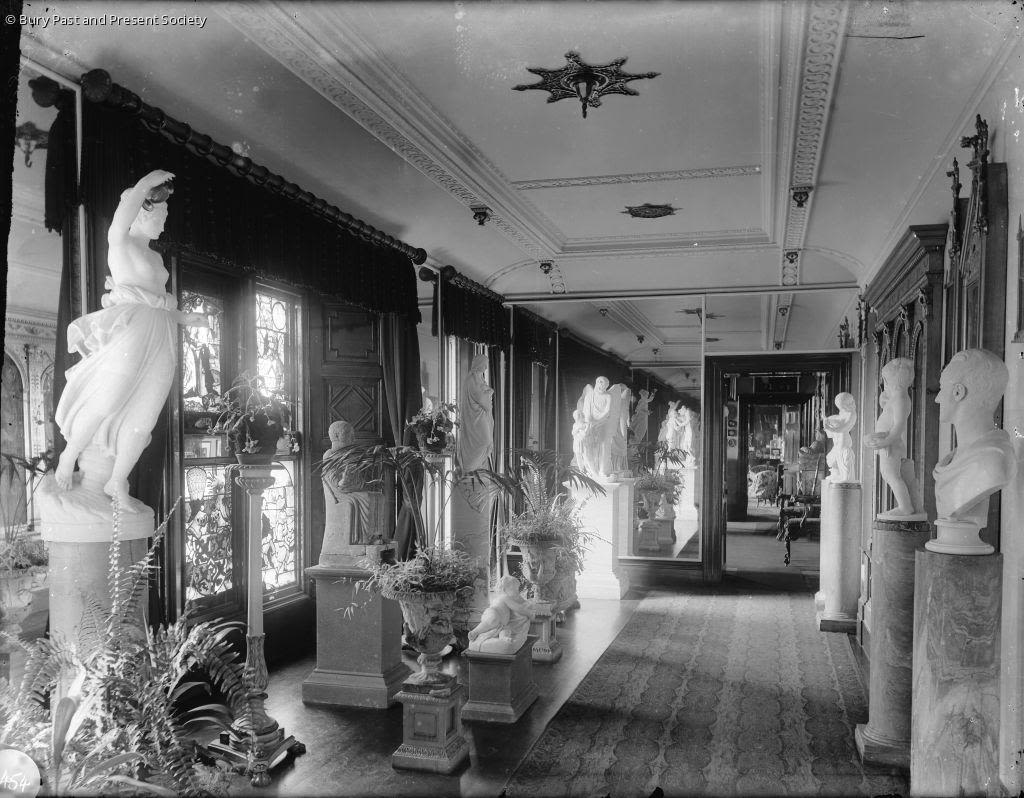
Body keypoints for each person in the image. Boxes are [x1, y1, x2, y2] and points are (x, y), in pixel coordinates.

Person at [53, 170, 208, 503]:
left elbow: (157, 301)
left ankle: (117, 480)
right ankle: (69, 458)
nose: (164, 225)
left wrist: (183, 317)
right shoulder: (119, 242)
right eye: (161, 216)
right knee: (107, 399)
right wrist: (147, 182)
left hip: (161, 332)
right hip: (132, 331)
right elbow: (124, 213)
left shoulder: (155, 256)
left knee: (145, 417)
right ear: (141, 211)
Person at [932, 349, 1015, 526]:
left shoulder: (992, 462)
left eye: (941, 388)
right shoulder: (956, 459)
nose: (937, 398)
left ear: (958, 392)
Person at [864, 357, 920, 518]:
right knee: (895, 475)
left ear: (893, 381)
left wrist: (886, 441)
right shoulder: (896, 398)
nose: (884, 385)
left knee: (890, 475)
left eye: (885, 381)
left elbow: (899, 426)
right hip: (887, 443)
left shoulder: (901, 399)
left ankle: (905, 507)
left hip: (891, 444)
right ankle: (910, 506)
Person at [466, 575, 536, 653]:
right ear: (504, 589)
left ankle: (504, 638)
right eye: (513, 589)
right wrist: (529, 613)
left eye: (517, 589)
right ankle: (475, 632)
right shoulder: (504, 597)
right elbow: (517, 608)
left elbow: (520, 602)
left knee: (506, 629)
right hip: (493, 612)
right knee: (492, 621)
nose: (517, 591)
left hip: (501, 622)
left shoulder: (509, 597)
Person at [457, 352, 494, 472]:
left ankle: (479, 468)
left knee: (487, 442)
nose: (486, 367)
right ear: (479, 364)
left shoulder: (480, 378)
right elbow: (482, 399)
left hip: (481, 416)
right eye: (484, 364)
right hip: (474, 419)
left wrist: (487, 392)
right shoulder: (472, 378)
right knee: (485, 441)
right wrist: (489, 392)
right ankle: (471, 468)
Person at [823, 392, 857, 482]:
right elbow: (839, 419)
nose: (854, 403)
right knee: (831, 458)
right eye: (850, 402)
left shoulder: (852, 414)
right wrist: (829, 421)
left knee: (841, 456)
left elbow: (844, 428)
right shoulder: (843, 411)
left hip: (843, 440)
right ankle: (837, 474)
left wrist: (830, 427)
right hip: (837, 439)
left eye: (852, 401)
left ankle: (845, 477)